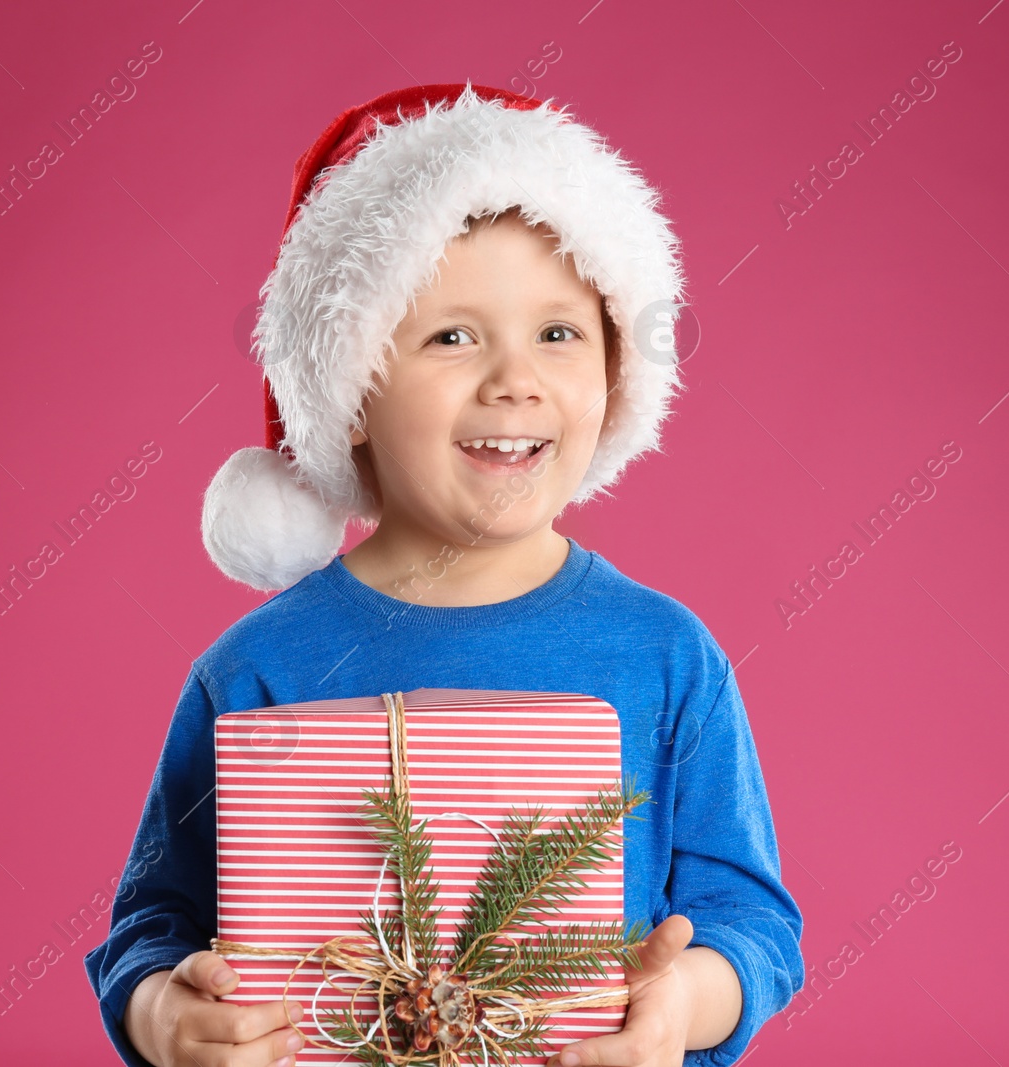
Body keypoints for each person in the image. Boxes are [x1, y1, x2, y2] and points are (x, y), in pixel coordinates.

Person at [84, 82, 803, 1067]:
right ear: (348, 393)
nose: (514, 378)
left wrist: (685, 1000)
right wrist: (165, 1014)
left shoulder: (668, 655)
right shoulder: (251, 670)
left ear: (617, 369)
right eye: (452, 335)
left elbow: (750, 922)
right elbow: (151, 924)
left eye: (558, 332)